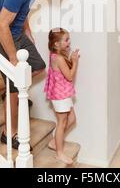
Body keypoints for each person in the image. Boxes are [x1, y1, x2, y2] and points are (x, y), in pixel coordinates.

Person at [0, 0, 70, 149]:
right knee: (15, 84)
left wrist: (27, 30)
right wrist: (14, 59)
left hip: (16, 33)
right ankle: (9, 133)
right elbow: (0, 25)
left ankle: (13, 92)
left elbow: (20, 11)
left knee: (39, 65)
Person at [44, 28, 79, 165]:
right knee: (62, 123)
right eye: (66, 40)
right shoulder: (58, 58)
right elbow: (69, 76)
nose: (69, 42)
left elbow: (63, 72)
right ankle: (59, 153)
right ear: (56, 44)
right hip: (60, 96)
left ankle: (54, 141)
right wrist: (75, 62)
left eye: (68, 39)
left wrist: (70, 59)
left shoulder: (54, 55)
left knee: (72, 119)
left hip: (62, 94)